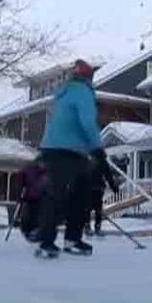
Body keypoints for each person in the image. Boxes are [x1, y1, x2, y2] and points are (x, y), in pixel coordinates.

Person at [34, 59, 117, 258]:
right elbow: (87, 122)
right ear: (88, 77)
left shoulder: (62, 94)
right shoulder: (82, 92)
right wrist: (97, 149)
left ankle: (56, 241)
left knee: (62, 194)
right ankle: (63, 241)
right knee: (76, 195)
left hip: (51, 149)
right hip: (69, 151)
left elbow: (63, 123)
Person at [78, 156, 118, 237]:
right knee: (93, 208)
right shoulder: (90, 161)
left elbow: (108, 175)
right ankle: (91, 226)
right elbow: (108, 175)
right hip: (91, 188)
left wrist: (114, 187)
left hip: (94, 188)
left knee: (92, 208)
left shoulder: (88, 160)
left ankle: (92, 226)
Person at [16, 157, 47, 241]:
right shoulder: (31, 171)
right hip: (31, 197)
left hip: (40, 197)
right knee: (31, 214)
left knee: (36, 214)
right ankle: (29, 230)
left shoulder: (44, 172)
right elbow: (21, 182)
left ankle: (33, 230)